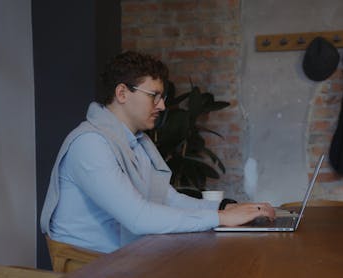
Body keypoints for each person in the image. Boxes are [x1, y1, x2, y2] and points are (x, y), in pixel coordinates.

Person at [40, 51, 275, 253]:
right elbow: (138, 218)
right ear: (122, 93)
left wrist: (223, 208)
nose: (162, 106)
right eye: (154, 96)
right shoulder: (90, 144)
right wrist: (221, 219)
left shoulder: (135, 141)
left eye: (162, 98)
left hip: (131, 258)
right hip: (93, 267)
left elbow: (168, 199)